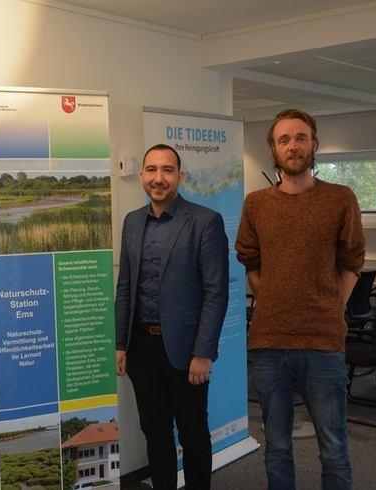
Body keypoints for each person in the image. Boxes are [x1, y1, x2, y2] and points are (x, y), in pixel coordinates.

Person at [235, 109, 366, 490]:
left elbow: (352, 261)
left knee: (334, 447)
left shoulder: (340, 199)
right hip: (269, 343)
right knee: (276, 446)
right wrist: (274, 299)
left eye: (300, 137)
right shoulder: (256, 203)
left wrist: (332, 306)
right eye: (284, 139)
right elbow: (250, 260)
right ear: (274, 150)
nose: (293, 145)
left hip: (323, 343)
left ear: (313, 145)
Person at [115, 143, 229, 490]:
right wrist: (121, 344)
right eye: (152, 170)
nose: (158, 178)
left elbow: (216, 292)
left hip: (186, 351)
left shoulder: (204, 221)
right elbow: (125, 288)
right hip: (141, 348)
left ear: (180, 177)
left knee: (193, 432)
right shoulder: (133, 221)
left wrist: (203, 352)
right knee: (155, 430)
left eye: (167, 171)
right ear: (142, 176)